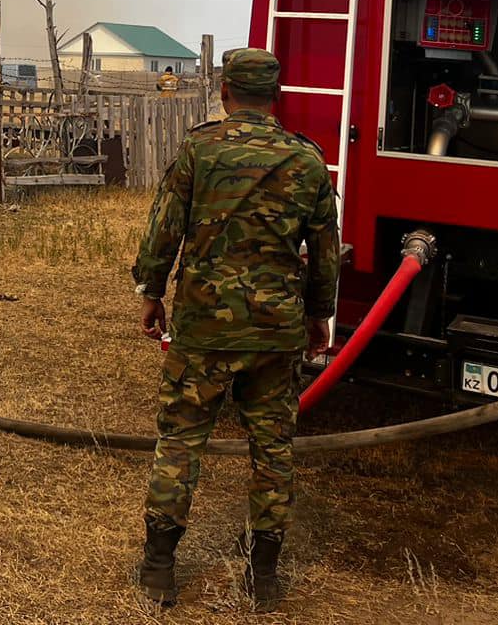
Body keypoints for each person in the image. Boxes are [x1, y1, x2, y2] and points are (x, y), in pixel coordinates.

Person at [131, 47, 338, 609]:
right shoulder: (307, 161)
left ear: (224, 92)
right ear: (276, 97)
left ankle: (158, 570)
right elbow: (323, 252)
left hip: (204, 326)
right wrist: (320, 316)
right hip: (276, 330)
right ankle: (265, 577)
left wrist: (150, 293)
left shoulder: (200, 149)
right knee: (273, 449)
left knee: (180, 440)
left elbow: (164, 229)